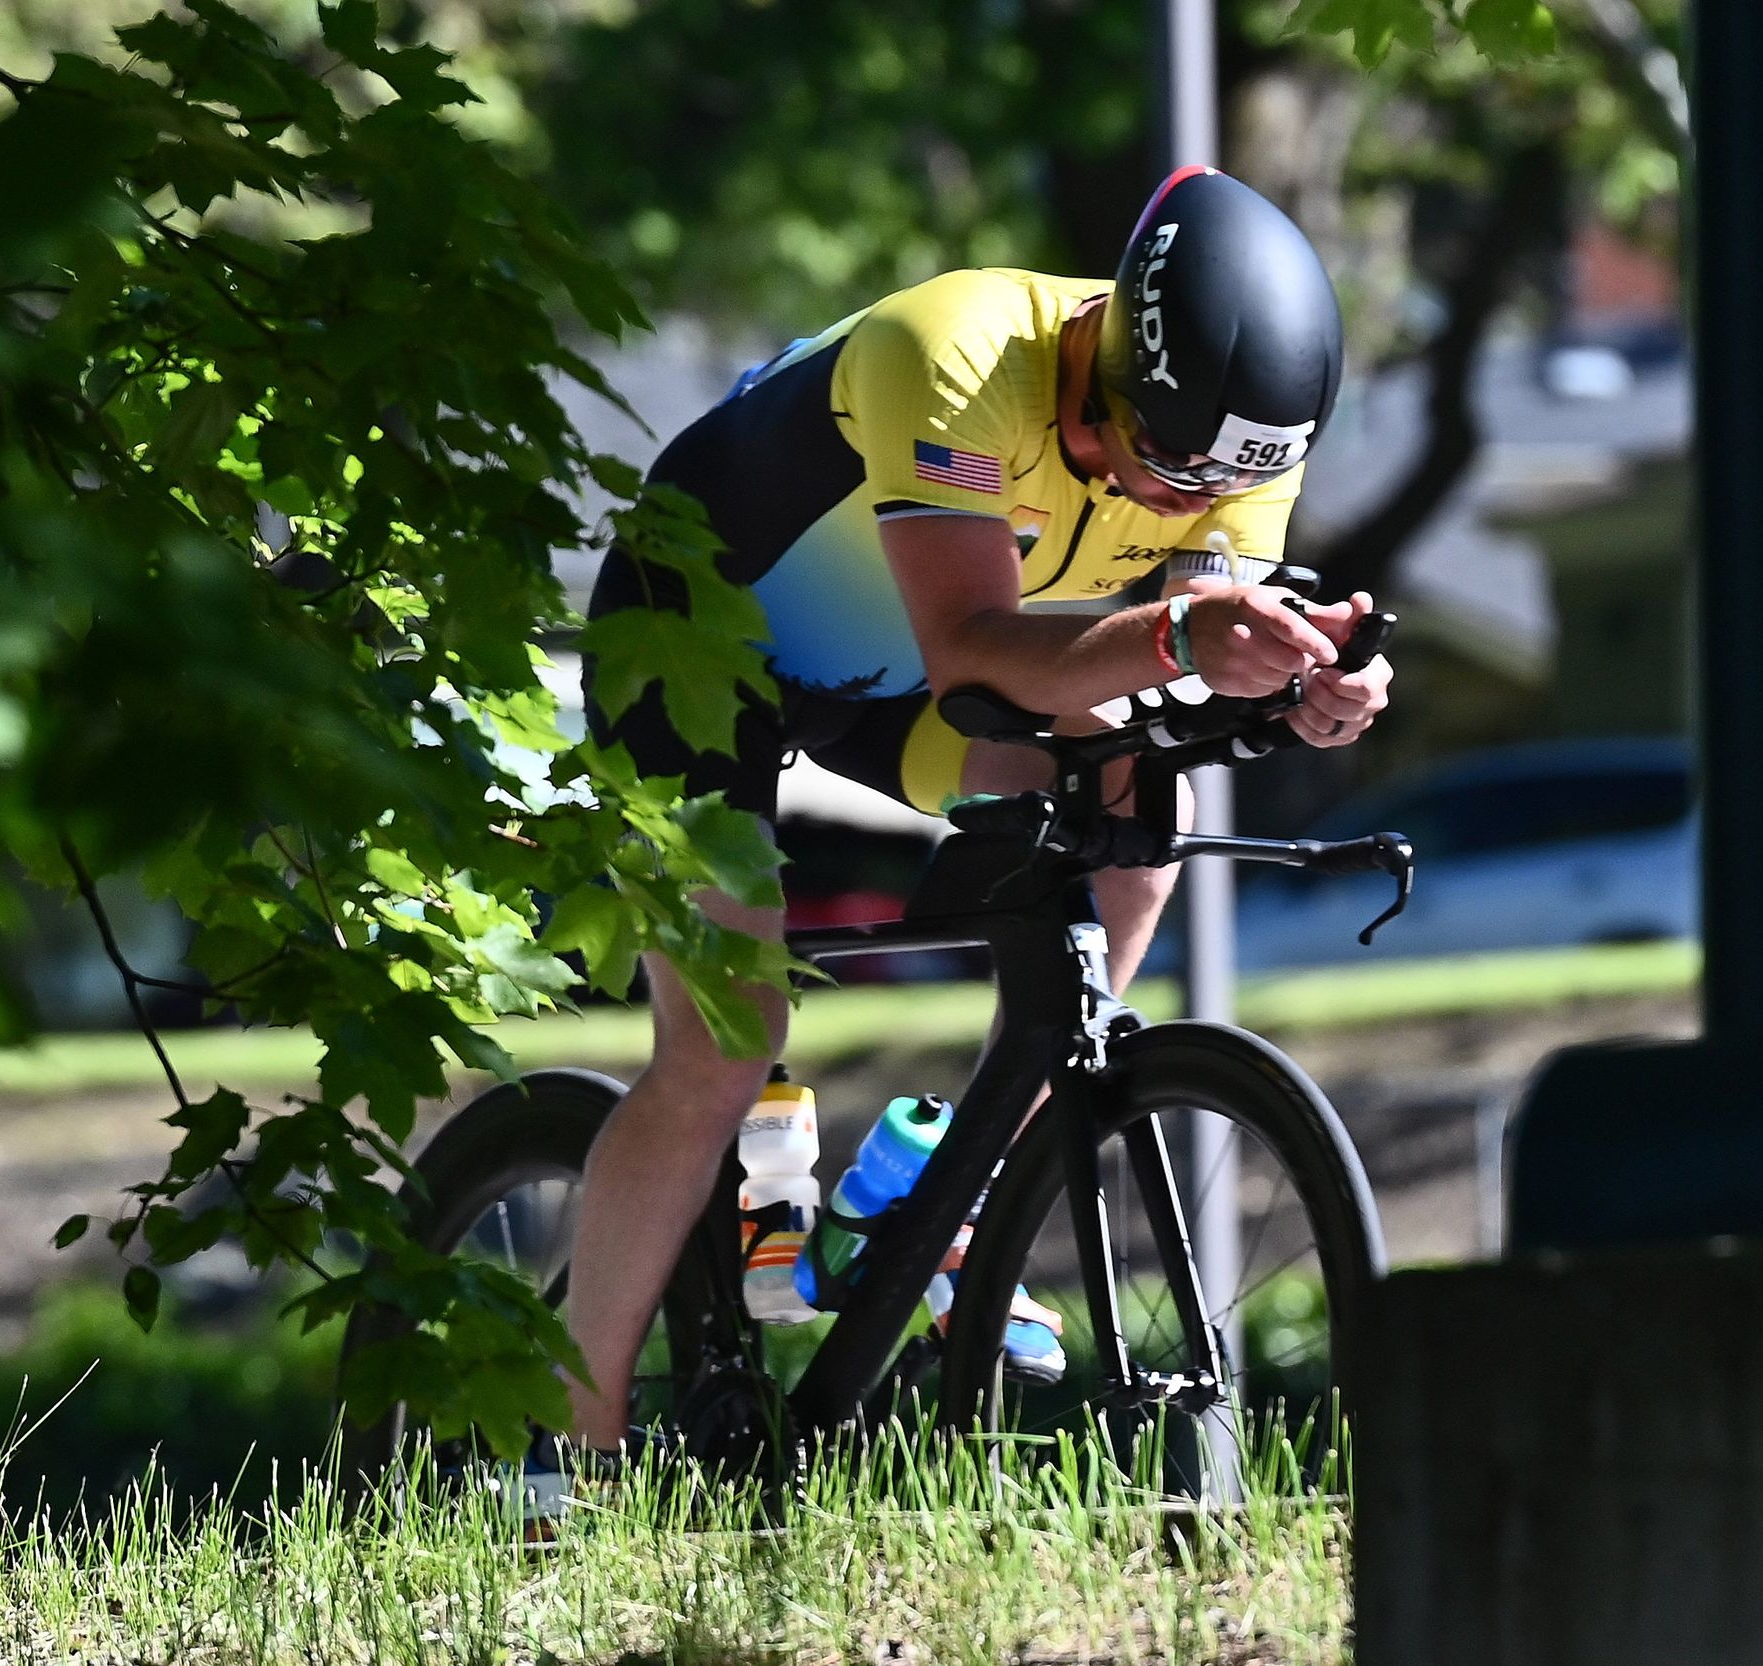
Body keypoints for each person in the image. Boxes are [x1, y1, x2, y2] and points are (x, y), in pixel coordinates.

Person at [563, 165, 1394, 1462]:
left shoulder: (1228, 450)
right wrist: (1185, 627)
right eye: (1167, 464)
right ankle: (563, 1444)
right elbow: (975, 652)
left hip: (884, 677)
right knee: (728, 1037)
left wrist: (1304, 690)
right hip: (699, 644)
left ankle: (933, 1193)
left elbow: (1176, 675)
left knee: (1131, 815)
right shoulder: (952, 352)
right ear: (1108, 369)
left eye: (1226, 483)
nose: (1187, 504)